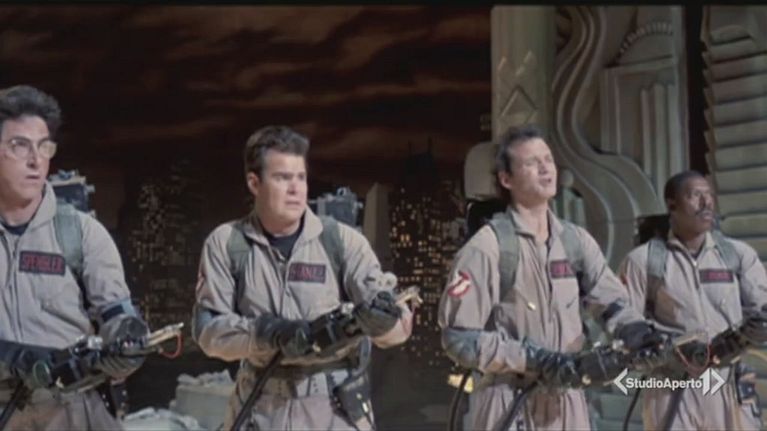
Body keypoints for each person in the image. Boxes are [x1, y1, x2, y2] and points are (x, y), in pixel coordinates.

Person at [438, 124, 660, 430]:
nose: (545, 169)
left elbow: (611, 302)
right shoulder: (489, 247)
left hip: (568, 402)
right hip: (507, 401)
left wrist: (638, 333)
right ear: (506, 179)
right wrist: (535, 359)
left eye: (548, 160)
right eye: (532, 163)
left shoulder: (575, 242)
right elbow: (459, 339)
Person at [192, 125, 413, 430]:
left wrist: (384, 322)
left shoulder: (341, 241)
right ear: (254, 183)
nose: (296, 189)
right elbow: (209, 333)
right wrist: (270, 333)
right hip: (261, 410)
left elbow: (398, 327)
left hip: (333, 412)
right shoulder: (228, 244)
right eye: (283, 178)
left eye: (301, 177)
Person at [0, 85, 148, 430]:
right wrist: (14, 357)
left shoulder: (81, 234)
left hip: (72, 411)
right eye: (19, 145)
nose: (36, 160)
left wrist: (127, 341)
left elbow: (116, 313)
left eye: (44, 146)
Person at [618, 170, 767, 430]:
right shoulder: (643, 262)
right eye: (695, 195)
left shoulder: (737, 256)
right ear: (672, 205)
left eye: (709, 195)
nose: (706, 202)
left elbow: (762, 313)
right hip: (670, 387)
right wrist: (665, 350)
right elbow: (624, 328)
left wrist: (744, 336)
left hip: (726, 383)